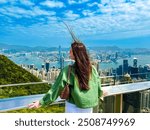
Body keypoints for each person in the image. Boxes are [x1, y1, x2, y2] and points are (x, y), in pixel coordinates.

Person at [28, 41, 103, 113]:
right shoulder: (92, 69)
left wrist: (42, 102)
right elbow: (97, 84)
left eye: (70, 51)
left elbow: (56, 88)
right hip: (89, 107)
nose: (69, 53)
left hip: (73, 107)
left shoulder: (68, 70)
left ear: (76, 54)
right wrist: (100, 94)